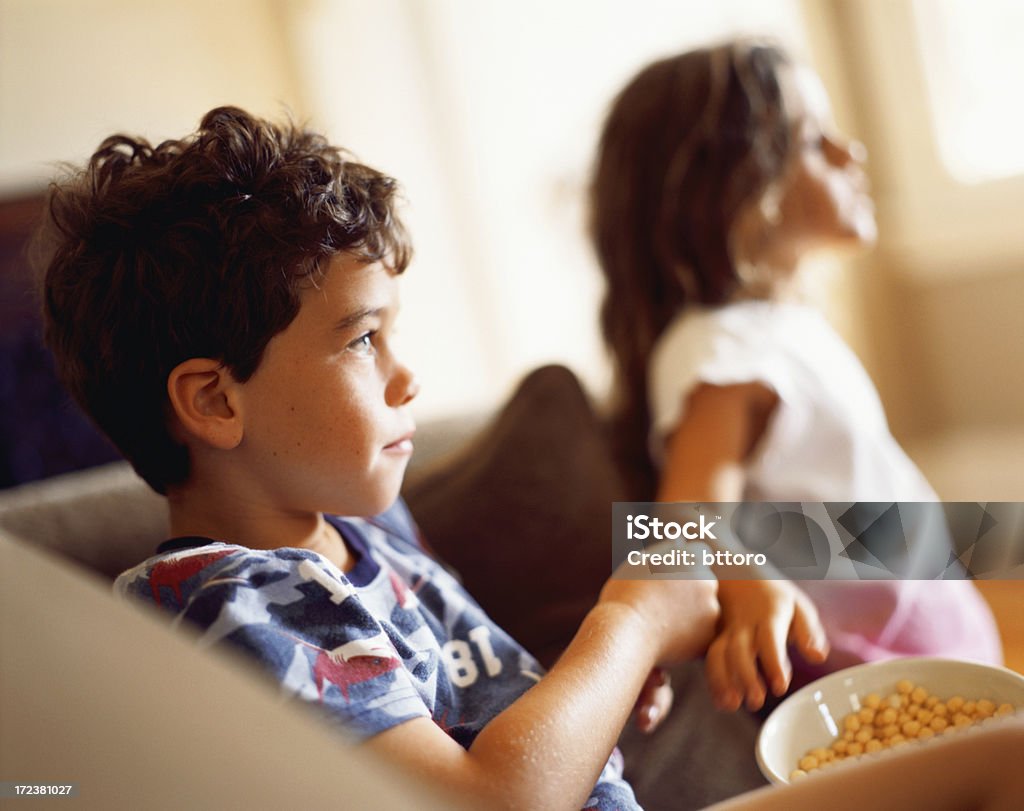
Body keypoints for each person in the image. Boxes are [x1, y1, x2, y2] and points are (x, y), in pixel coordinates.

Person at [38, 105, 1021, 811]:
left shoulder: (366, 536)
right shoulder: (235, 604)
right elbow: (489, 798)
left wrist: (586, 698)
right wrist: (627, 626)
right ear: (214, 399)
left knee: (1004, 758)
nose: (408, 376)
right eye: (359, 340)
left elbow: (486, 719)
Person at [589, 37, 1002, 720]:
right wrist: (748, 584)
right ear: (736, 192)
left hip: (928, 637)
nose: (851, 152)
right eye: (814, 141)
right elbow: (679, 523)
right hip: (875, 679)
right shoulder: (718, 347)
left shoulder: (780, 326)